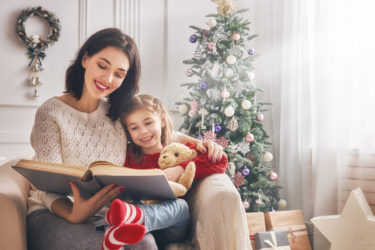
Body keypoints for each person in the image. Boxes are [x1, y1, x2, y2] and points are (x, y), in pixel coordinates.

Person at [27, 28, 225, 250]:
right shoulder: (51, 113)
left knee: (146, 244)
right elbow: (46, 183)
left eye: (119, 74)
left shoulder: (116, 114)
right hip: (56, 212)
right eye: (102, 66)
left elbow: (155, 135)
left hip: (111, 214)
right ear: (85, 59)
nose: (108, 79)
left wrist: (198, 143)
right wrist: (74, 213)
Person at [102, 94, 228, 249]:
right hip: (139, 231)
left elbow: (221, 161)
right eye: (134, 127)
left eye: (148, 123)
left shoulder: (177, 151)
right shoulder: (128, 156)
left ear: (161, 121)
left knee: (181, 206)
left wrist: (180, 168)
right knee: (135, 203)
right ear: (128, 131)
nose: (143, 132)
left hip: (171, 228)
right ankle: (122, 229)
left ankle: (136, 217)